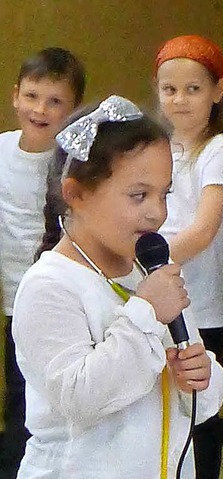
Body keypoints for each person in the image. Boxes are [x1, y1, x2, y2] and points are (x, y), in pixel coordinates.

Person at [12, 96, 223, 478]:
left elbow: (198, 391)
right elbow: (80, 396)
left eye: (165, 194)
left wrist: (200, 375)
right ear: (76, 195)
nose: (157, 212)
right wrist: (145, 314)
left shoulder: (152, 273)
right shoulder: (49, 286)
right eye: (138, 195)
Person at [154, 34, 223, 479]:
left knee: (200, 417)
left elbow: (203, 230)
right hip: (154, 299)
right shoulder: (155, 148)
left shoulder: (220, 151)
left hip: (202, 308)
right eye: (169, 89)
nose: (180, 100)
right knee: (160, 414)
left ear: (218, 91)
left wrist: (145, 259)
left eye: (193, 89)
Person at [0, 47, 85, 478]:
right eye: (33, 96)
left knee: (37, 407)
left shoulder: (74, 165)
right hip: (11, 300)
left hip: (52, 304)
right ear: (16, 96)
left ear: (72, 111)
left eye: (55, 102)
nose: (40, 109)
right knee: (15, 401)